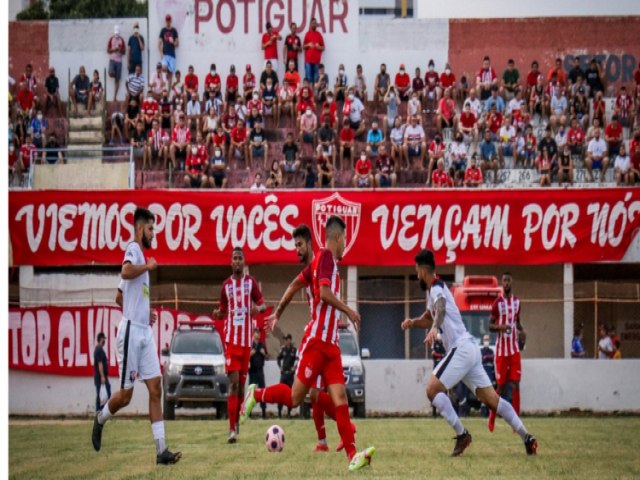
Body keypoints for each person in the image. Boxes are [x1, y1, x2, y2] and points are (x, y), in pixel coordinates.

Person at [240, 216, 375, 472]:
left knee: (340, 398)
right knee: (294, 398)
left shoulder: (320, 262)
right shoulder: (324, 258)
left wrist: (278, 312)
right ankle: (256, 394)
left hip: (331, 345)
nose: (346, 243)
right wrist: (349, 310)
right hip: (317, 342)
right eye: (345, 238)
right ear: (337, 237)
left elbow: (293, 285)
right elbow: (323, 293)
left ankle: (353, 455)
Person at [400, 250, 537, 457]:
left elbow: (441, 307)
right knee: (493, 400)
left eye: (416, 270)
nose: (416, 274)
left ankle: (462, 434)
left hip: (461, 348)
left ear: (422, 269)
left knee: (432, 390)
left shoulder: (436, 287)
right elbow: (430, 316)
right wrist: (414, 323)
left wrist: (436, 328)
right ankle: (527, 438)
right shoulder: (434, 290)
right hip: (470, 350)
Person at [92, 207, 181, 465]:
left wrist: (143, 311)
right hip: (131, 331)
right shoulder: (133, 249)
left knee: (156, 387)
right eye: (151, 229)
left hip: (143, 329)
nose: (153, 234)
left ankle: (161, 452)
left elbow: (120, 295)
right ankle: (100, 418)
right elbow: (125, 272)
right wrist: (148, 266)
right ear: (140, 228)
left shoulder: (139, 255)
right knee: (126, 396)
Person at [213, 247, 267, 443]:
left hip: (246, 343)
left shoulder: (250, 283)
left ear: (244, 262)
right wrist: (218, 314)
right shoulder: (226, 286)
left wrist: (257, 308)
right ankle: (231, 430)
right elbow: (222, 309)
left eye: (240, 258)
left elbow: (262, 304)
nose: (237, 261)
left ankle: (236, 423)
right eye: (234, 258)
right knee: (234, 382)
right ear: (231, 262)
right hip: (232, 341)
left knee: (242, 384)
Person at [487, 272, 526, 432]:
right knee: (501, 387)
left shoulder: (517, 302)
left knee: (516, 384)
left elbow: (517, 322)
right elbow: (489, 326)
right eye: (504, 281)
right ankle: (491, 418)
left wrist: (522, 331)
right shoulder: (497, 303)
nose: (507, 283)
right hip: (502, 352)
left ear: (512, 282)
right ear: (502, 284)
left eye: (509, 280)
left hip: (514, 351)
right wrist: (501, 327)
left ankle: (516, 423)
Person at [249, 329, 268, 419]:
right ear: (253, 334)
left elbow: (267, 356)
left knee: (262, 391)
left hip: (260, 370)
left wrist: (264, 353)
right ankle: (249, 412)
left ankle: (264, 412)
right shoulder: (250, 344)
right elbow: (246, 357)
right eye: (257, 333)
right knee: (251, 392)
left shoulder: (262, 345)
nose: (258, 334)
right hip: (252, 371)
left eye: (259, 333)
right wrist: (251, 354)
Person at [277, 334, 297, 418]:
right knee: (280, 393)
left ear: (289, 340)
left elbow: (298, 360)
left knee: (290, 394)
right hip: (284, 374)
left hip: (290, 374)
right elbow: (278, 358)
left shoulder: (294, 350)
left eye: (287, 340)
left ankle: (289, 412)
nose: (286, 341)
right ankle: (279, 413)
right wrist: (280, 367)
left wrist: (294, 367)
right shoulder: (283, 349)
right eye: (285, 340)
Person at [159, 14, 179, 89]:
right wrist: (161, 53)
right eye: (167, 20)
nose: (168, 22)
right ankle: (163, 87)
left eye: (169, 20)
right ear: (165, 21)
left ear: (170, 21)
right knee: (163, 68)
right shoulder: (163, 30)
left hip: (172, 55)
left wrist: (173, 42)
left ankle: (168, 94)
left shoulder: (174, 31)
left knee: (170, 75)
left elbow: (177, 44)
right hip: (165, 54)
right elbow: (159, 43)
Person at [107, 25, 126, 101]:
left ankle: (115, 97)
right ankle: (115, 75)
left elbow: (124, 52)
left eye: (117, 34)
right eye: (116, 34)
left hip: (119, 61)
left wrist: (120, 50)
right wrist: (113, 50)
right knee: (110, 73)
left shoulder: (121, 40)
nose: (117, 35)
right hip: (112, 59)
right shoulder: (111, 39)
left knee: (117, 80)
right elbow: (108, 50)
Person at [303, 18, 324, 83]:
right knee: (308, 78)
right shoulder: (307, 34)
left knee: (316, 79)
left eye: (315, 23)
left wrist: (318, 47)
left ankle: (314, 93)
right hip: (308, 61)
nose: (314, 24)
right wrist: (308, 45)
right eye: (313, 23)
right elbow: (303, 46)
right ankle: (309, 92)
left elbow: (323, 48)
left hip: (316, 61)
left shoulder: (319, 35)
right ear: (310, 24)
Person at [93, 332, 111, 412]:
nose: (105, 341)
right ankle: (99, 411)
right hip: (100, 377)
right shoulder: (99, 349)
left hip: (101, 377)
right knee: (105, 394)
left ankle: (100, 411)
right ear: (101, 339)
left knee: (102, 394)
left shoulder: (99, 349)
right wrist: (102, 376)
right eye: (104, 339)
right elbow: (100, 364)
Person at [480, 335, 496, 417]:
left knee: (490, 394)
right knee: (483, 394)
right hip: (483, 374)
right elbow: (481, 360)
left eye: (488, 339)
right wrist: (486, 358)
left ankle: (489, 413)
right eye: (485, 339)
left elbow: (492, 362)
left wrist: (494, 378)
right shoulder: (480, 351)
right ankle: (483, 412)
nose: (486, 341)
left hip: (490, 374)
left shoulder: (491, 351)